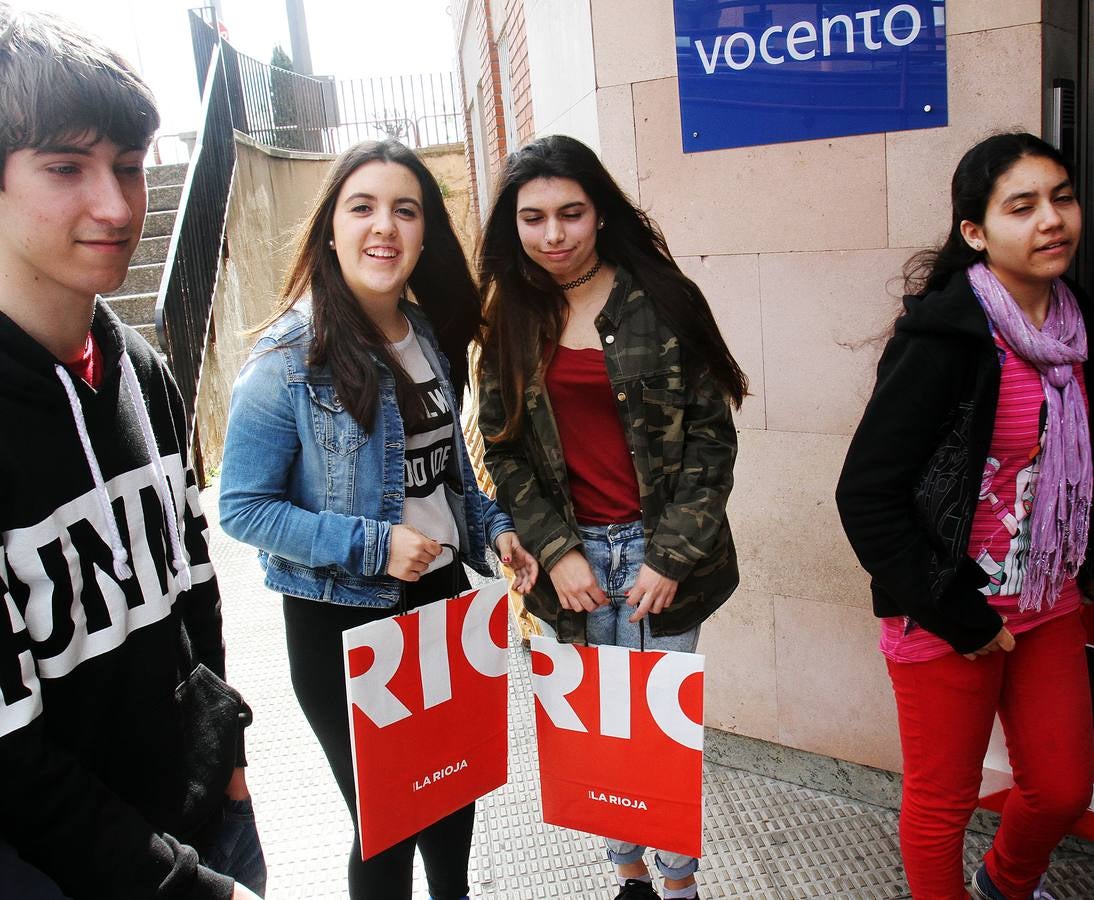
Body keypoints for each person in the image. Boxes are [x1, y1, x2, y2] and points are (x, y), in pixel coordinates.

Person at [218, 139, 537, 900]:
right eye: (362, 207)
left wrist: (492, 526)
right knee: (388, 821)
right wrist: (371, 545)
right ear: (331, 227)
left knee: (454, 796)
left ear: (424, 235)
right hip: (343, 623)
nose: (383, 226)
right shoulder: (288, 357)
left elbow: (444, 471)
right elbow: (241, 506)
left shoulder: (424, 334)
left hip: (441, 606)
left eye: (405, 209)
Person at [0, 5, 265, 899]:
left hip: (211, 829)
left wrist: (228, 763)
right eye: (65, 168)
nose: (114, 205)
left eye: (128, 166)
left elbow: (194, 586)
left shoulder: (142, 369)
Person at [475, 134, 746, 900]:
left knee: (661, 732)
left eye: (571, 213)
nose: (553, 235)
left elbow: (711, 441)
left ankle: (680, 885)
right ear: (513, 224)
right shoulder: (510, 318)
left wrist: (670, 556)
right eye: (533, 218)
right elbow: (506, 453)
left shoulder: (659, 299)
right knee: (593, 730)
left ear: (600, 213)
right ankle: (628, 876)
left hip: (663, 561)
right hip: (574, 565)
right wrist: (556, 550)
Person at [836, 132, 1094, 900]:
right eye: (1023, 206)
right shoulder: (946, 339)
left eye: (1063, 198)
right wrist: (957, 611)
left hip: (1049, 600)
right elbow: (866, 494)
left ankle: (1005, 885)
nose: (1051, 220)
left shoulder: (1079, 331)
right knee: (943, 803)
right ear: (975, 232)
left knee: (1061, 789)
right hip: (947, 608)